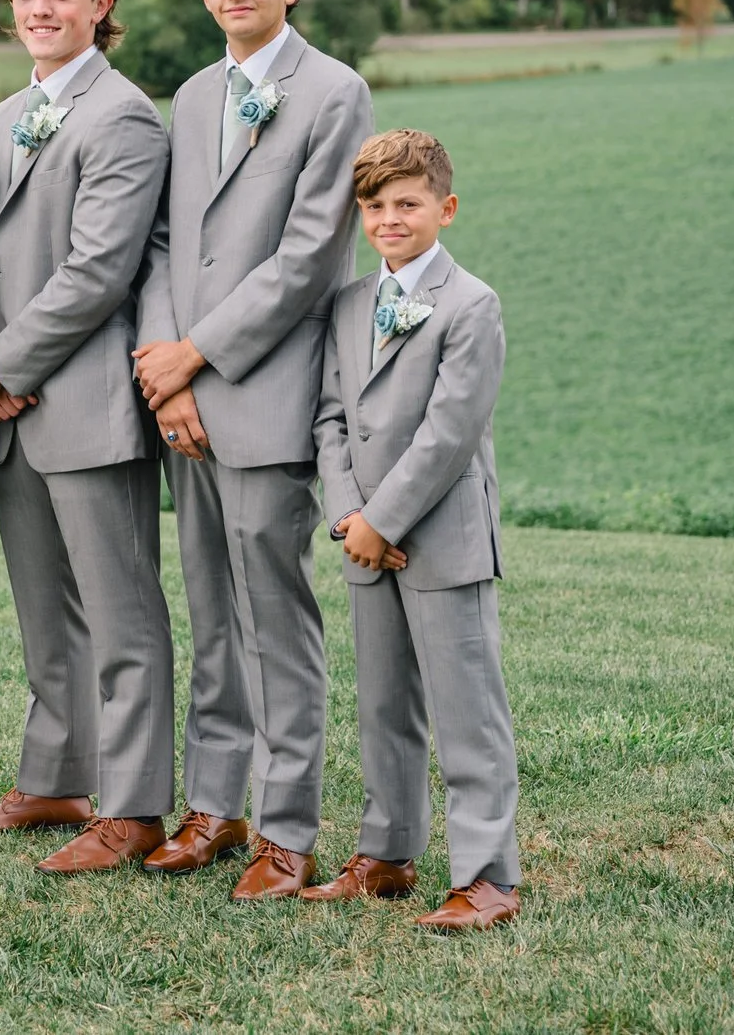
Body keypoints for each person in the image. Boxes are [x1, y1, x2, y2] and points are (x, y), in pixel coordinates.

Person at [133, 0, 374, 898]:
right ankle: (216, 804)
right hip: (183, 398)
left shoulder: (331, 91)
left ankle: (285, 828)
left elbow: (310, 253)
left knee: (276, 619)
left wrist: (195, 352)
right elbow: (160, 244)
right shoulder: (190, 96)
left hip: (267, 390)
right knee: (212, 614)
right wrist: (160, 361)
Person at [0, 0, 176, 874]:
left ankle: (134, 808)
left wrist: (4, 365)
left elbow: (97, 272)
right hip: (10, 406)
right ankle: (53, 779)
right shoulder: (5, 117)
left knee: (122, 618)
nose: (42, 8)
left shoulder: (122, 116)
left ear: (100, 5)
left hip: (80, 400)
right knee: (46, 611)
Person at [303, 129, 521, 931]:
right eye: (374, 205)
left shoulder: (473, 305)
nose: (389, 219)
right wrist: (349, 517)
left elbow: (448, 431)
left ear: (445, 207)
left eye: (407, 203)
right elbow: (328, 416)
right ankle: (388, 852)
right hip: (364, 536)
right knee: (383, 704)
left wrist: (384, 518)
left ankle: (488, 874)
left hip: (442, 538)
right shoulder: (351, 303)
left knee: (468, 709)